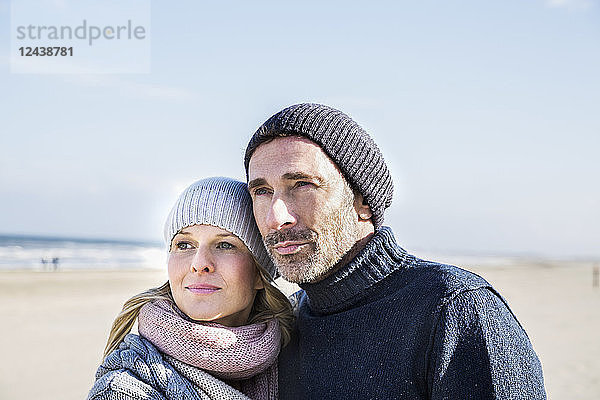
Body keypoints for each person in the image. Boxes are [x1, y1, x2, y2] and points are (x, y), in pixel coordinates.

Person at [244, 103, 546, 399]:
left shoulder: (453, 308)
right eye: (261, 191)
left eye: (302, 184)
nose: (276, 217)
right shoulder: (286, 322)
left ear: (363, 200)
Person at [87, 177, 294, 400]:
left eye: (225, 245)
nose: (199, 263)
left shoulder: (297, 356)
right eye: (184, 245)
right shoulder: (125, 389)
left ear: (259, 273)